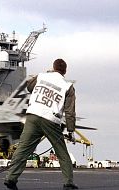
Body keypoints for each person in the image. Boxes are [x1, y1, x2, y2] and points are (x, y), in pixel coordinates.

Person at [4, 59, 78, 190]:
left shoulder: (42, 76)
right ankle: (68, 183)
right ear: (65, 71)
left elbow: (29, 87)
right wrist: (71, 131)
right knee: (62, 153)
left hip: (32, 115)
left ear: (53, 67)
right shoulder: (68, 86)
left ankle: (11, 178)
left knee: (23, 148)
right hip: (51, 120)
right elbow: (70, 111)